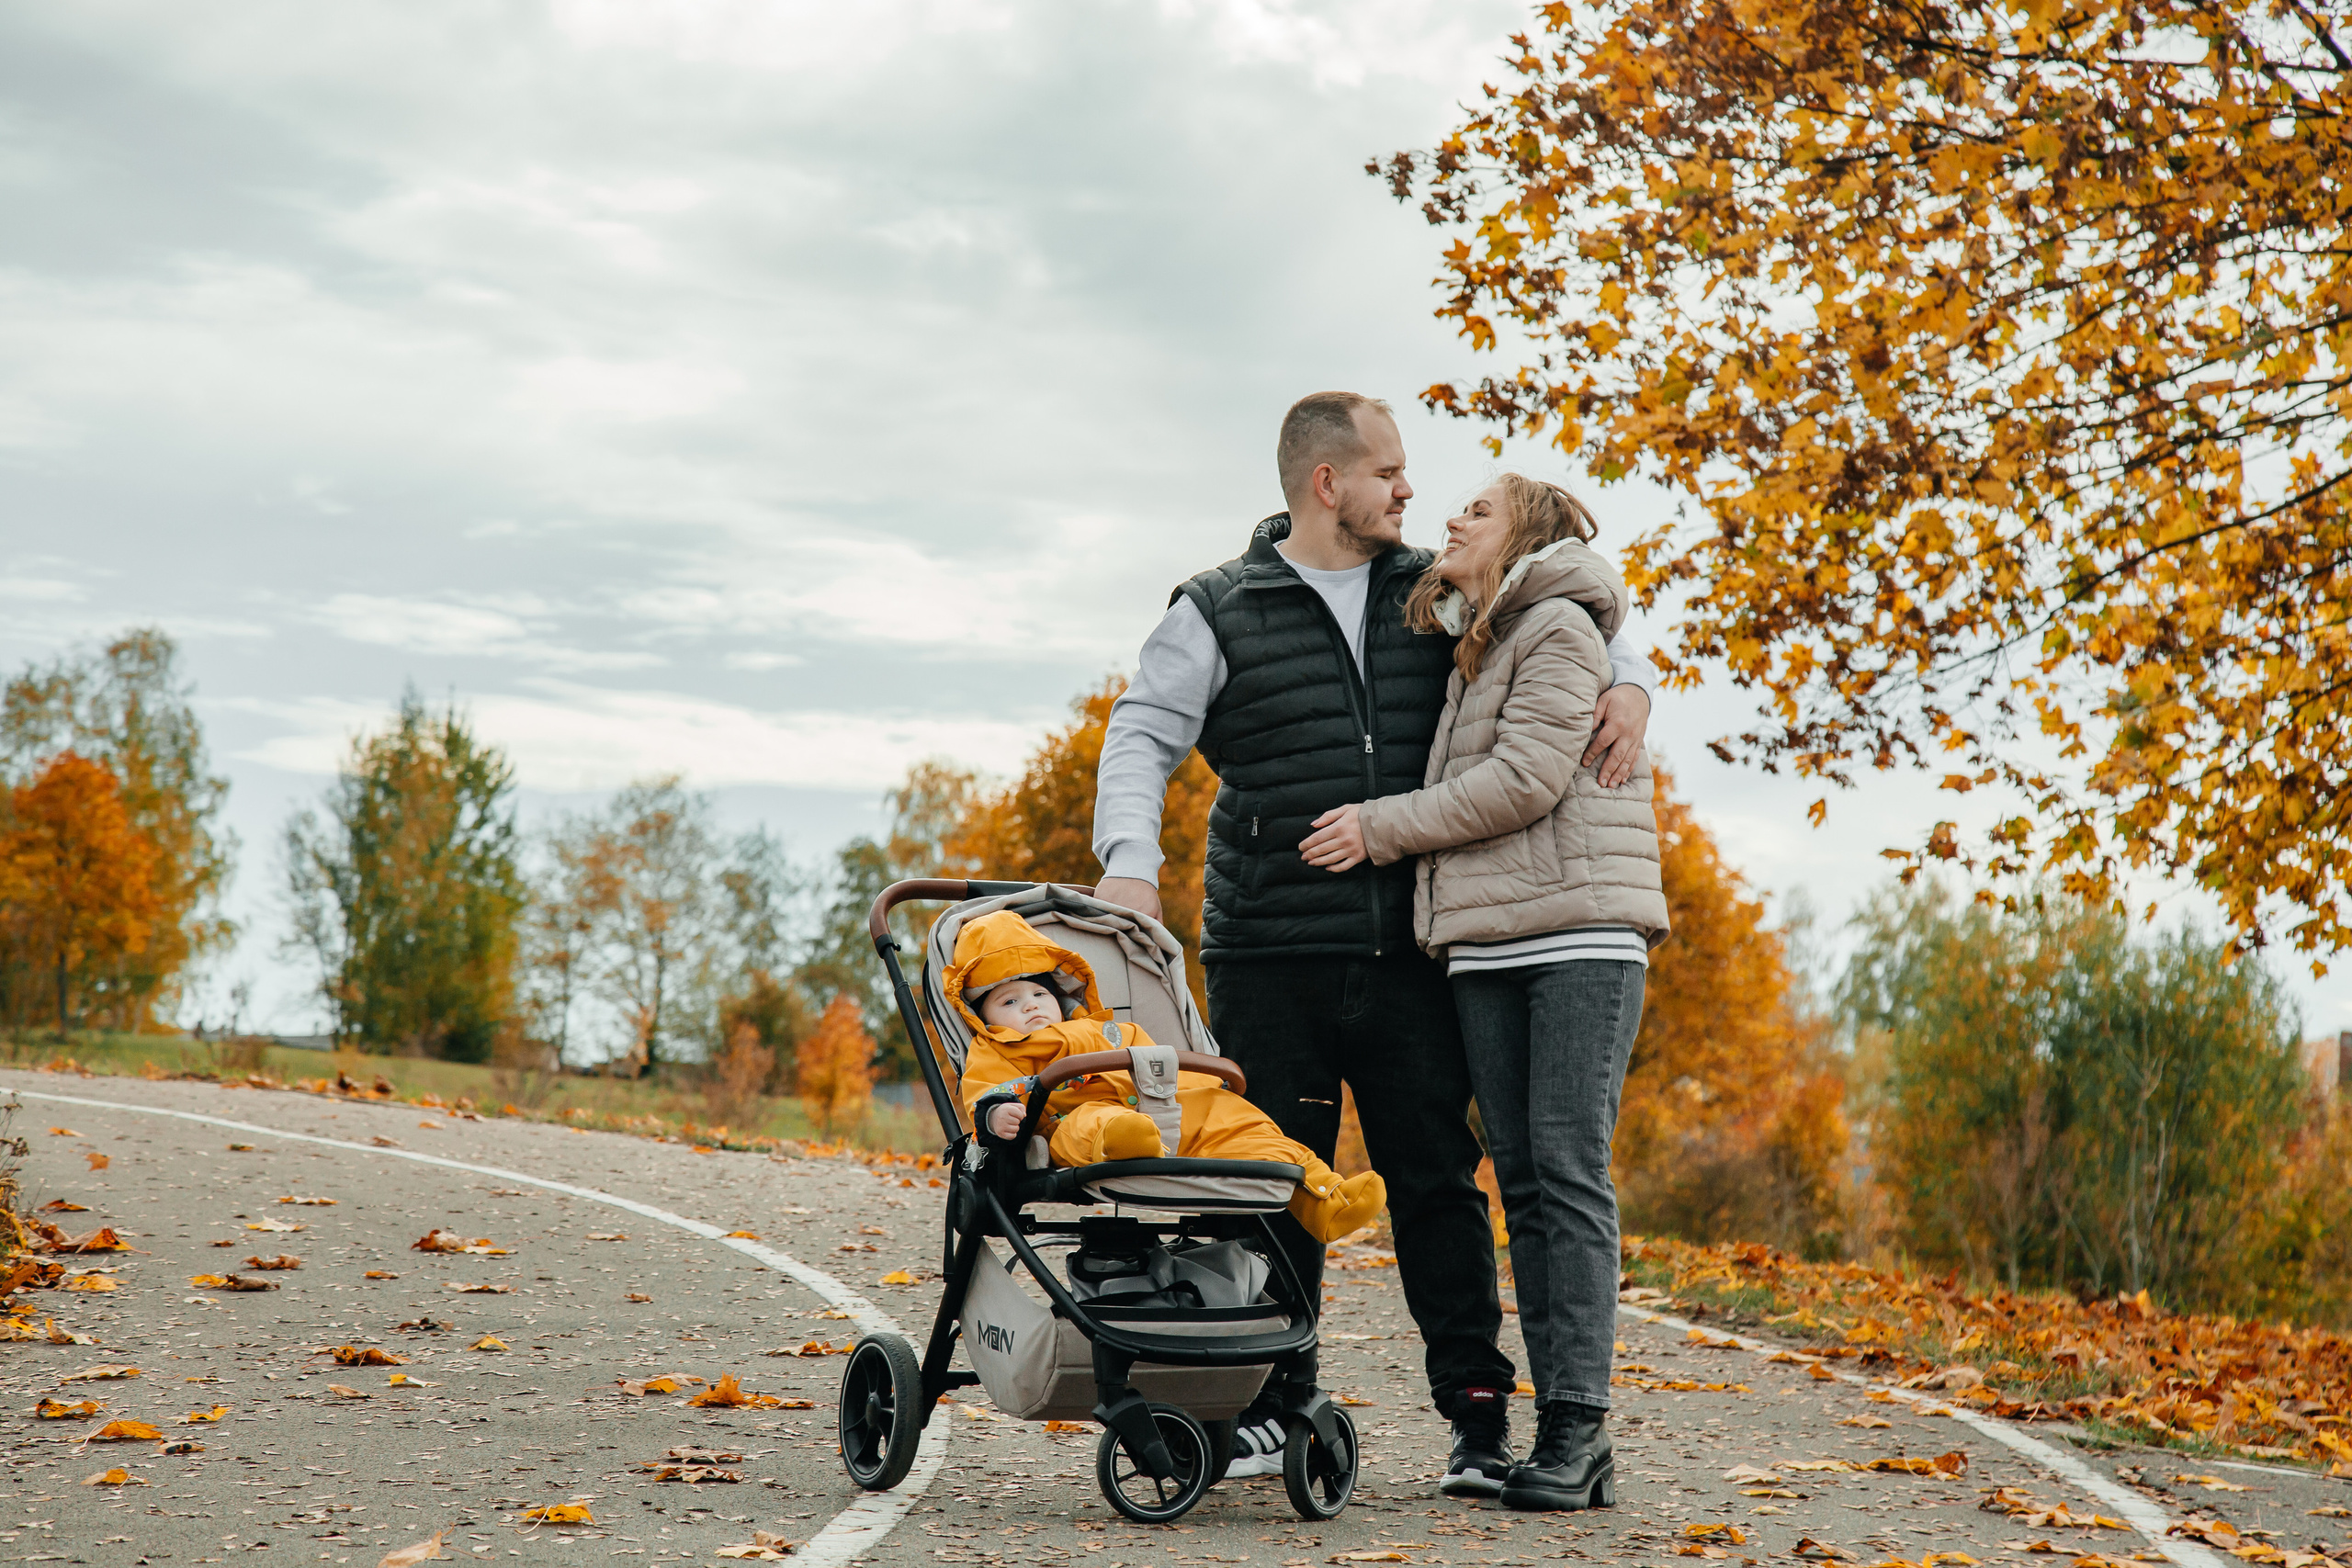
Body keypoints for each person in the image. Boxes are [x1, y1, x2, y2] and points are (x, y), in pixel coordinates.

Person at [1090, 391, 1656, 1491]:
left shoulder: (1432, 592)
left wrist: (1633, 685)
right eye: (1389, 473)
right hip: (1267, 944)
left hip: (1411, 949)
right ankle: (1271, 1401)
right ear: (1324, 484)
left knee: (1437, 1182)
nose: (1410, 490)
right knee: (1269, 1180)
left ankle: (1479, 1421)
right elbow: (1142, 731)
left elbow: (1586, 612)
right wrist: (1129, 863)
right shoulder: (1218, 607)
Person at [1295, 473, 1668, 1512]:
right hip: (1489, 945)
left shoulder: (1550, 625)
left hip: (1578, 932)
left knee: (1564, 1169)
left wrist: (1380, 826)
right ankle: (1562, 1434)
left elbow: (1524, 781)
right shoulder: (1479, 636)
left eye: (1477, 512)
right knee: (1525, 1179)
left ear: (1526, 539)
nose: (1449, 520)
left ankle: (1577, 1426)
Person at [951, 910, 1387, 1243]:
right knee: (1090, 1126)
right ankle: (1126, 1141)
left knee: (1236, 1118)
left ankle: (1322, 1197)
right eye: (1009, 1001)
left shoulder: (1111, 1030)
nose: (1029, 1006)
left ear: (1060, 994)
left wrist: (1207, 1091)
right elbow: (984, 1096)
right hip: (1071, 1121)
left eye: (1040, 993)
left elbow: (1163, 1067)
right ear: (980, 1013)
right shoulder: (994, 1049)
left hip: (1159, 1105)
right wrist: (995, 1118)